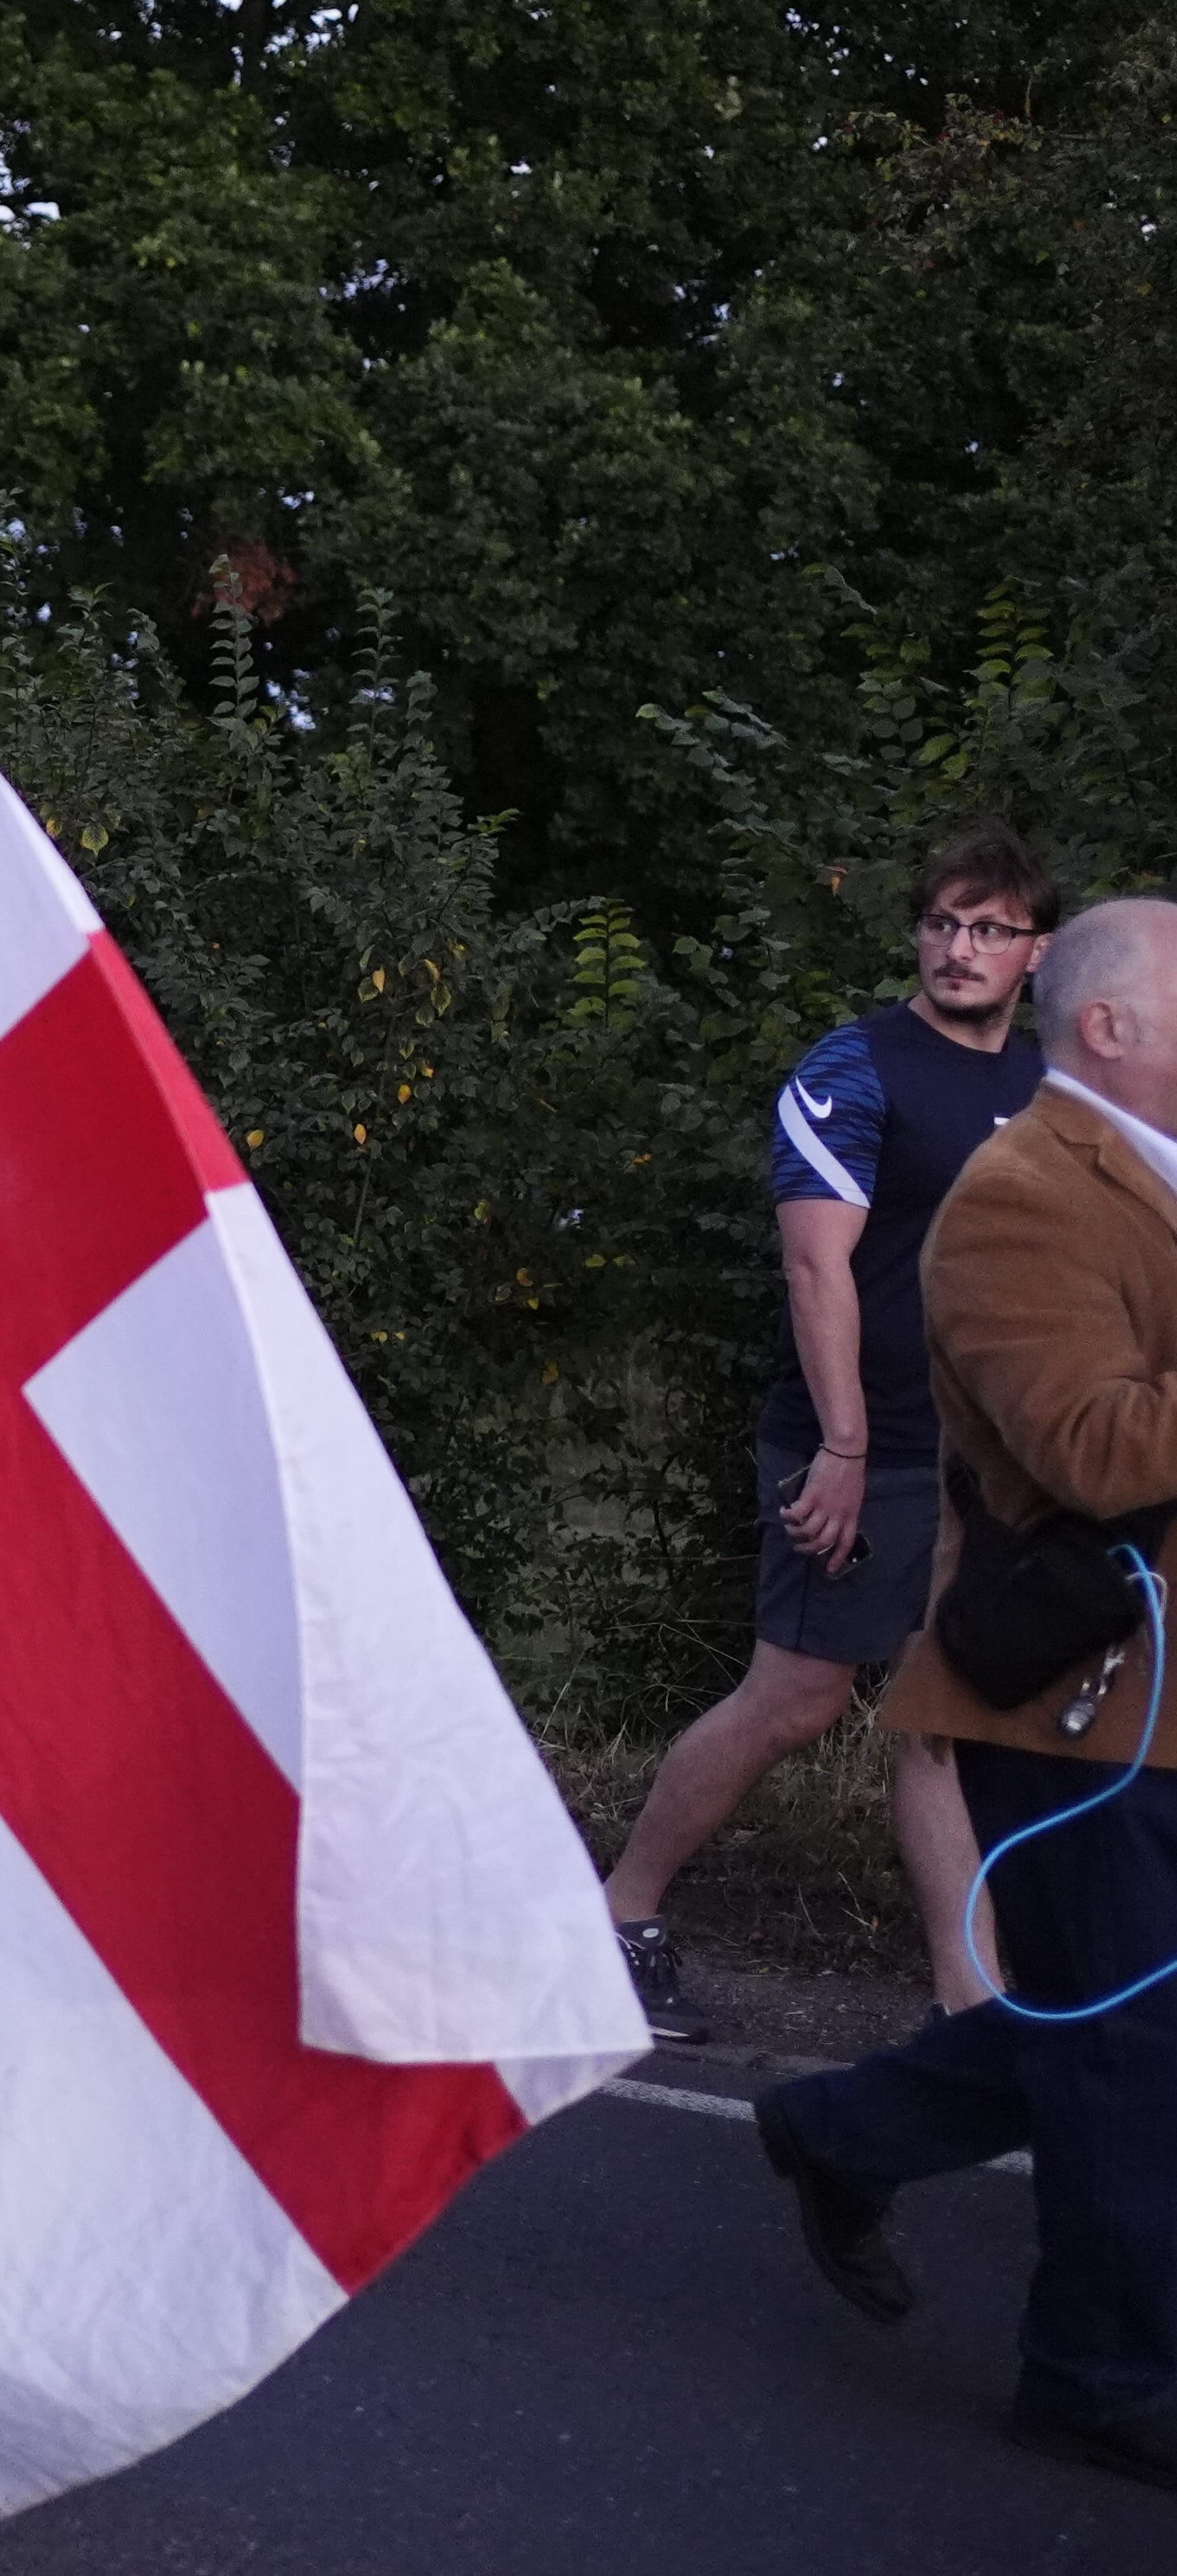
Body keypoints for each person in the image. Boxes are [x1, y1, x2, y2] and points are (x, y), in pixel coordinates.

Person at [753, 893, 1177, 2494]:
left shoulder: (1151, 1176)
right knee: (1130, 2046)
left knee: (1110, 2017)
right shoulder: (1019, 1198)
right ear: (1113, 1027)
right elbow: (1090, 1444)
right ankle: (1094, 2370)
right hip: (1084, 1706)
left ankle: (845, 2129)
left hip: (1154, 1698)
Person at [606, 824, 1056, 2041]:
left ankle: (975, 2010)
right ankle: (615, 1920)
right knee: (798, 1697)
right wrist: (846, 1451)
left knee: (941, 1725)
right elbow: (819, 1274)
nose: (961, 949)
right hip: (863, 1447)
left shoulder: (1044, 1087)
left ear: (1036, 952)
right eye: (942, 924)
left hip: (988, 1464)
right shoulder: (850, 1069)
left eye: (990, 929)